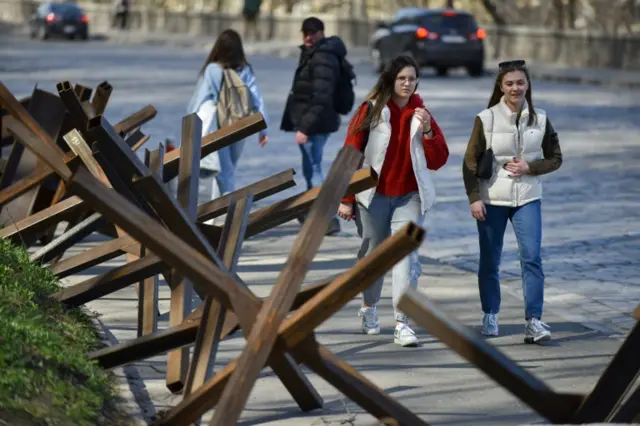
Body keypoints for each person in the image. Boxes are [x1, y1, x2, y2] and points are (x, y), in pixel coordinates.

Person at [337, 55, 449, 347]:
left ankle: (402, 322)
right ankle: (369, 307)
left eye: (412, 79)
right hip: (372, 196)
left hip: (409, 196)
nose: (407, 84)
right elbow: (351, 153)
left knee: (406, 257)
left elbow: (439, 160)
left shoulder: (421, 113)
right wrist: (346, 198)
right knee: (374, 257)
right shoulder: (371, 110)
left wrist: (427, 132)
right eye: (402, 78)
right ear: (390, 79)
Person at [462, 59, 563, 344]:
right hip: (492, 197)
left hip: (528, 197)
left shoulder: (540, 118)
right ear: (501, 86)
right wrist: (474, 199)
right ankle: (490, 314)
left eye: (520, 82)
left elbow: (555, 158)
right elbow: (469, 163)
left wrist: (531, 167)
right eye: (509, 83)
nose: (515, 88)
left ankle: (534, 321)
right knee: (490, 260)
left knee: (531, 257)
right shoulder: (486, 118)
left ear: (528, 85)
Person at [186, 29, 268, 206]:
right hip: (242, 124)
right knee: (228, 167)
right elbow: (256, 98)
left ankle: (227, 209)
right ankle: (219, 209)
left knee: (224, 170)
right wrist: (263, 128)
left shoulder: (212, 69)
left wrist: (189, 123)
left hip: (220, 124)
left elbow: (200, 98)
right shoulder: (245, 69)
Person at [280, 16, 347, 235]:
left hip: (315, 122)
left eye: (313, 32)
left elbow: (321, 96)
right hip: (318, 120)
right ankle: (313, 211)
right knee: (311, 168)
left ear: (321, 32)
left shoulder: (322, 57)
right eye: (305, 32)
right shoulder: (316, 52)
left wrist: (304, 127)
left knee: (315, 169)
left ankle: (326, 217)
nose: (308, 37)